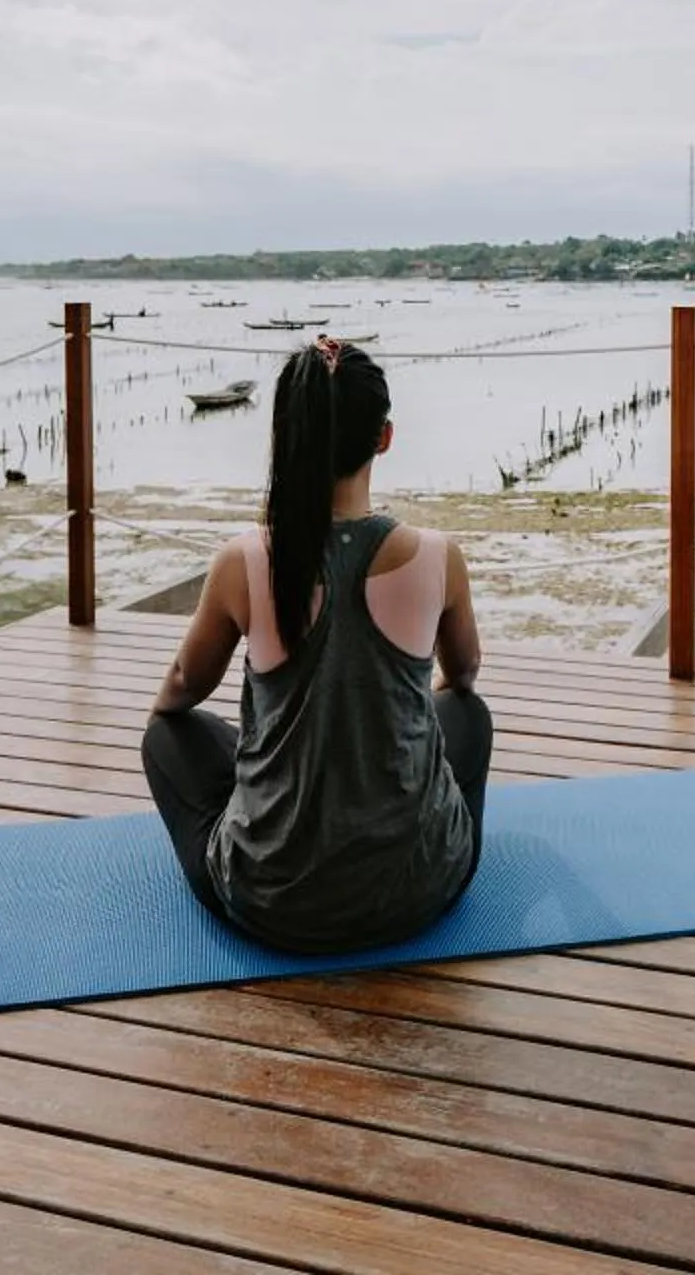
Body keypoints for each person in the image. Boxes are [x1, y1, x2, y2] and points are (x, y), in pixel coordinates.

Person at [141, 337, 491, 953]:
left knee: (166, 737)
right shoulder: (439, 556)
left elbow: (182, 690)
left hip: (270, 901)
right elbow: (462, 676)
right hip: (417, 891)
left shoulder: (245, 559)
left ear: (284, 437)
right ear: (383, 438)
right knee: (467, 715)